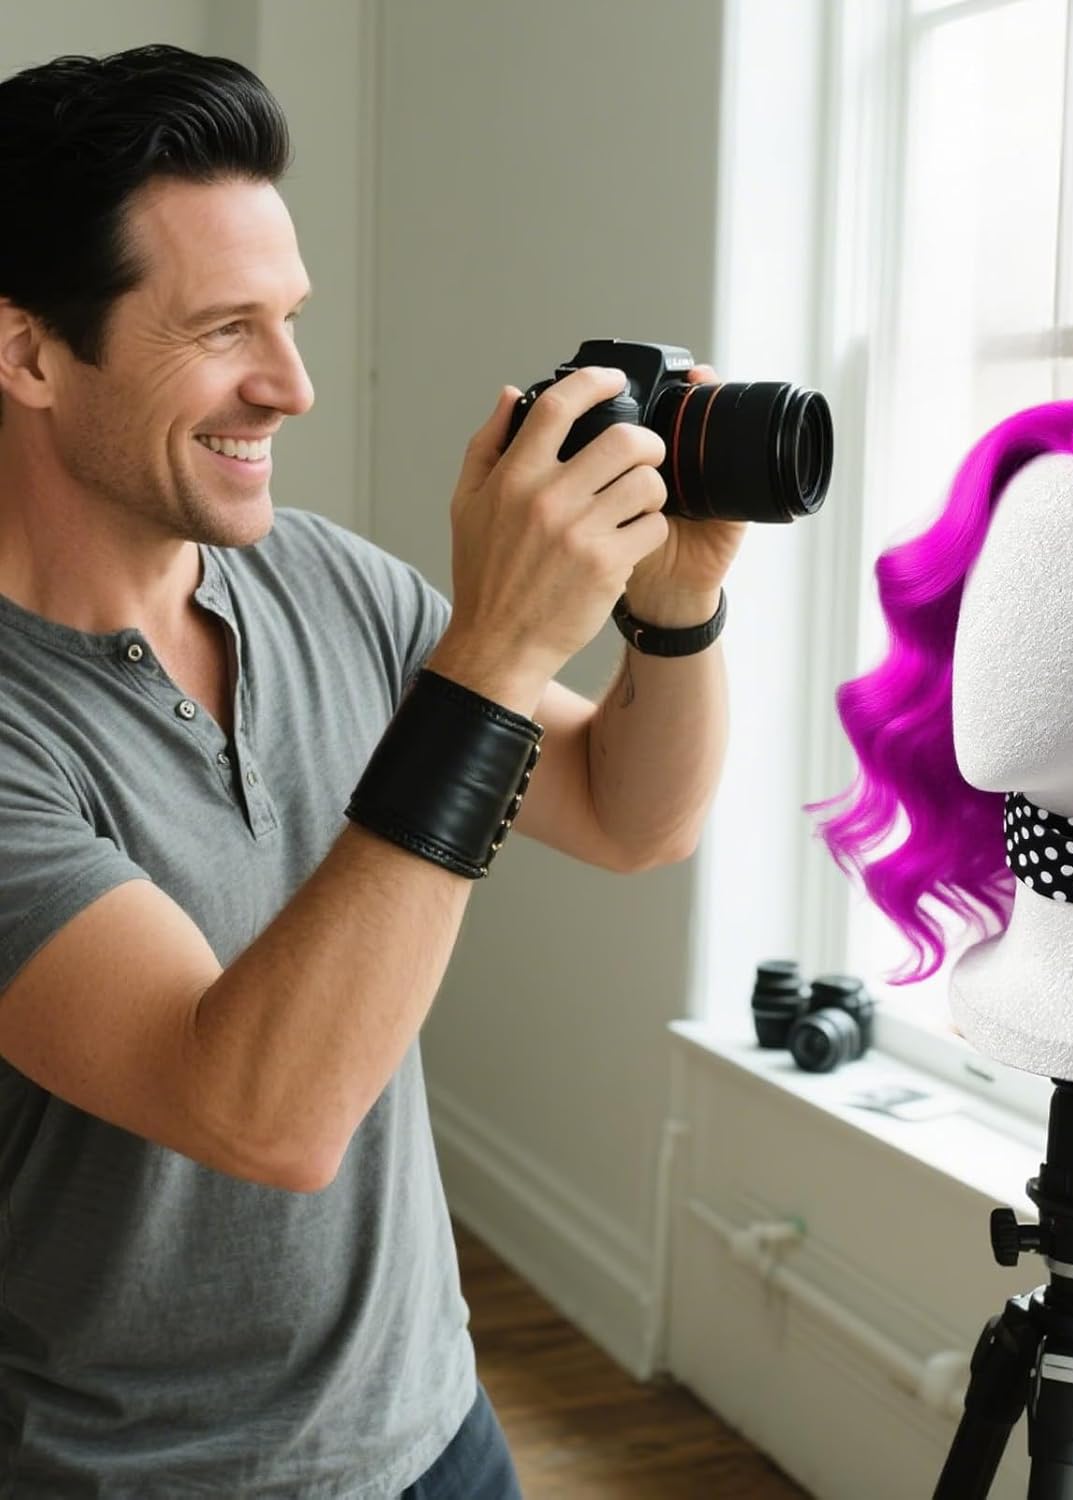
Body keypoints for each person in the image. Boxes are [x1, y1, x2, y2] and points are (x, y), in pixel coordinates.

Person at [0, 43, 742, 1499]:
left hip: (433, 1429)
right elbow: (261, 1115)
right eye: (223, 329)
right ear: (29, 353)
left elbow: (628, 815)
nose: (292, 386)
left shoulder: (323, 579)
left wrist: (678, 605)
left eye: (289, 319)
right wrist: (494, 656)